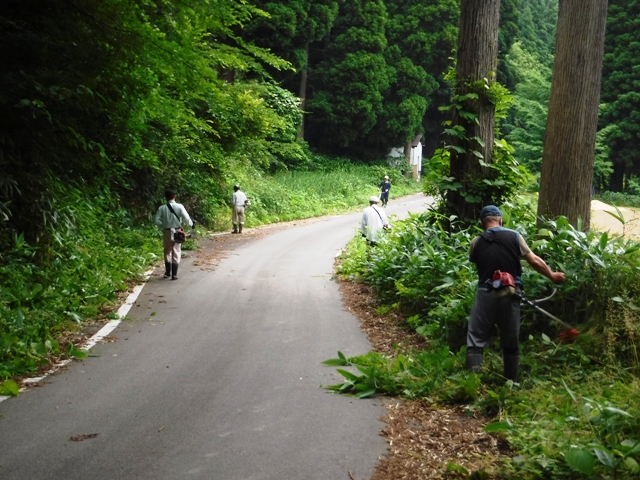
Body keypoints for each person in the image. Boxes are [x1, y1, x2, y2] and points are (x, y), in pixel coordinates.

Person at [466, 205, 565, 381]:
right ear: (500, 220)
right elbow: (534, 261)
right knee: (510, 340)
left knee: (476, 339)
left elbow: (478, 265)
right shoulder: (514, 236)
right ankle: (511, 382)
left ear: (482, 224)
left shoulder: (476, 242)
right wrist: (552, 275)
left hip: (485, 292)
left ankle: (473, 383)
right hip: (511, 293)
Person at [155, 189, 193, 280]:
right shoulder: (180, 206)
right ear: (175, 197)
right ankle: (174, 275)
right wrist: (191, 225)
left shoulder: (161, 208)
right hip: (177, 232)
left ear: (165, 198)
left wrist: (163, 225)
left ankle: (167, 272)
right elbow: (186, 219)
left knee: (167, 250)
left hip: (167, 231)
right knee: (176, 251)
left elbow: (156, 220)